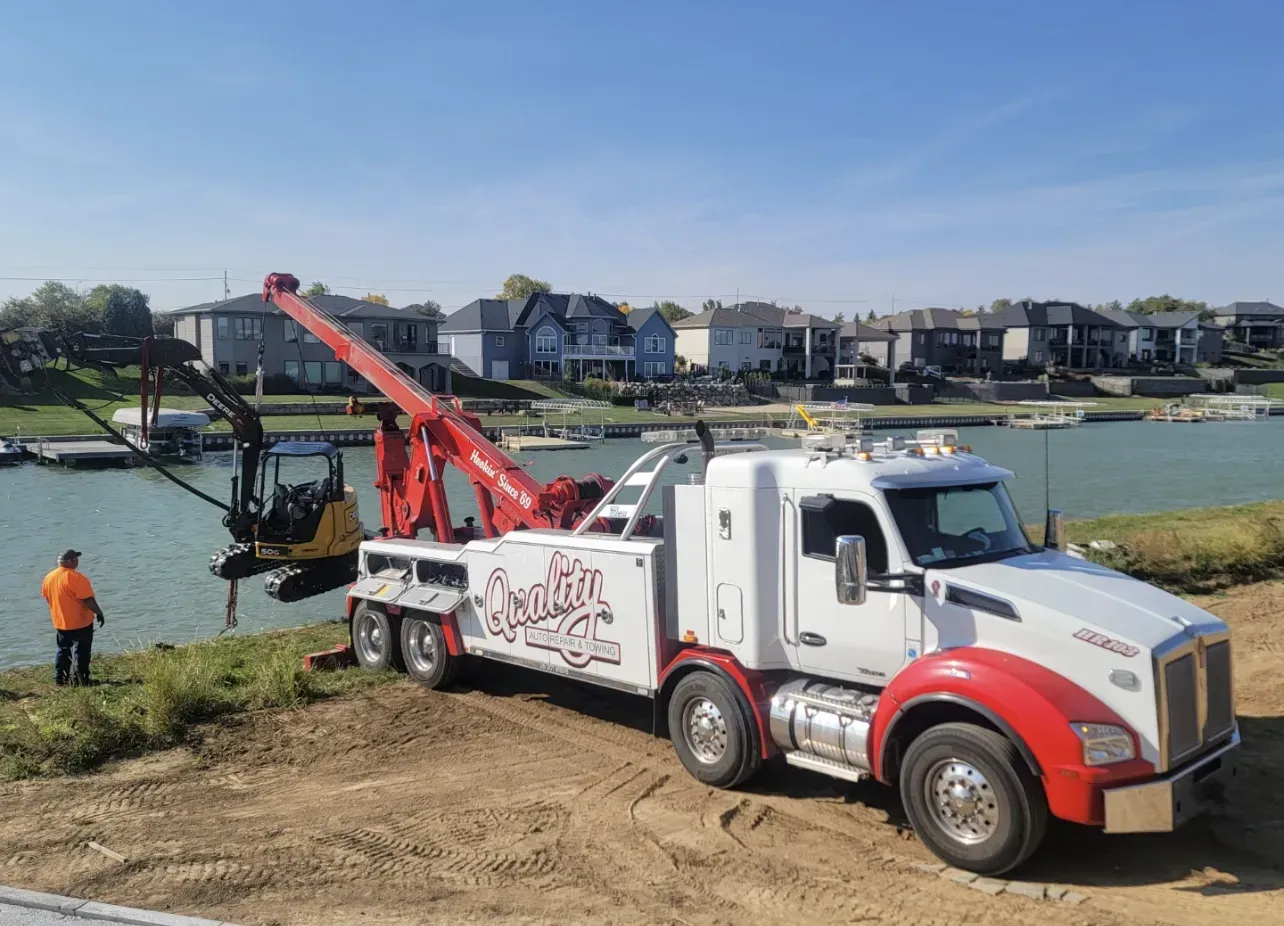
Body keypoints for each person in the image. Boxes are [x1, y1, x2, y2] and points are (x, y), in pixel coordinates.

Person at [40, 549, 104, 686]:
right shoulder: (75, 577)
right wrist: (99, 612)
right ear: (71, 561)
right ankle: (80, 680)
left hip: (60, 621)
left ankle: (60, 679)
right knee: (82, 651)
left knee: (63, 649)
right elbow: (88, 600)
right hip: (80, 621)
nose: (77, 561)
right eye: (76, 559)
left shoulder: (49, 577)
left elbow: (47, 598)